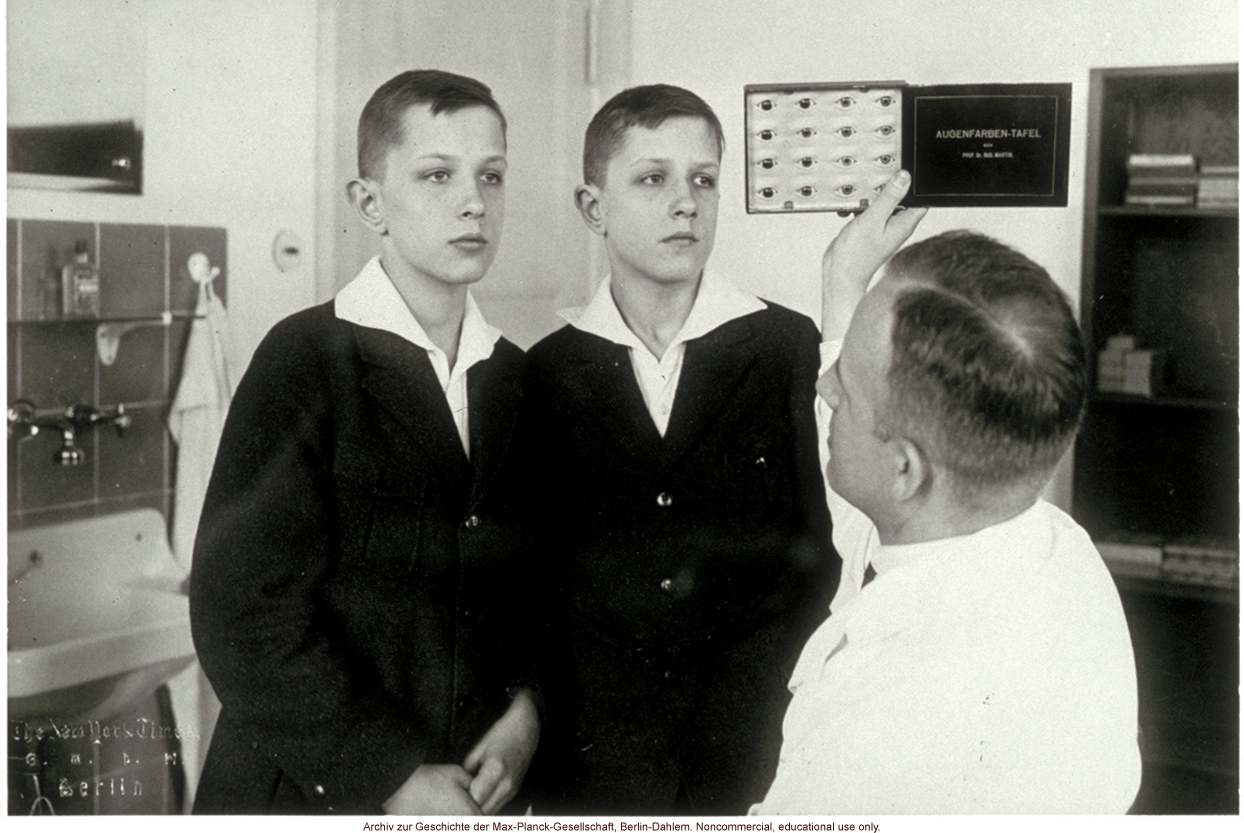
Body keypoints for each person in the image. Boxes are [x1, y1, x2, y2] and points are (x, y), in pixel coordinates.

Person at [190, 70, 538, 815]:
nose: (474, 201)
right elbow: (239, 609)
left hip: (470, 788)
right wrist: (389, 775)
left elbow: (531, 586)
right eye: (437, 175)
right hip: (309, 790)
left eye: (491, 175)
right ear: (370, 203)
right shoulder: (306, 359)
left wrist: (526, 710)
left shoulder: (511, 376)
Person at [752, 174, 1142, 813]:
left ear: (906, 471)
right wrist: (844, 281)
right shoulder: (1050, 545)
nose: (823, 388)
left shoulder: (881, 727)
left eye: (844, 383)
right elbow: (874, 512)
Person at [520, 84, 836, 814]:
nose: (685, 202)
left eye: (703, 180)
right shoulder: (542, 375)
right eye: (652, 178)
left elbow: (830, 549)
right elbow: (530, 585)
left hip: (758, 754)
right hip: (597, 767)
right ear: (593, 207)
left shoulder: (786, 347)